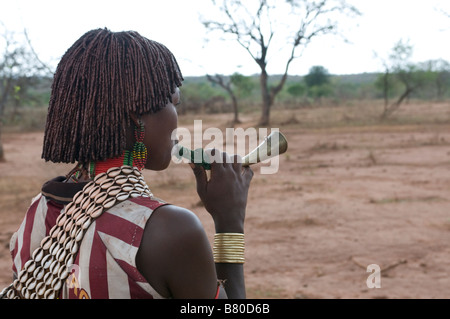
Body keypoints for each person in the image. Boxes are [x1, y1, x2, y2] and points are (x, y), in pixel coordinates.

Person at [1, 28, 253, 299]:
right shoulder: (171, 231)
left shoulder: (37, 212)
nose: (177, 119)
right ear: (137, 117)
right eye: (174, 102)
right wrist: (230, 220)